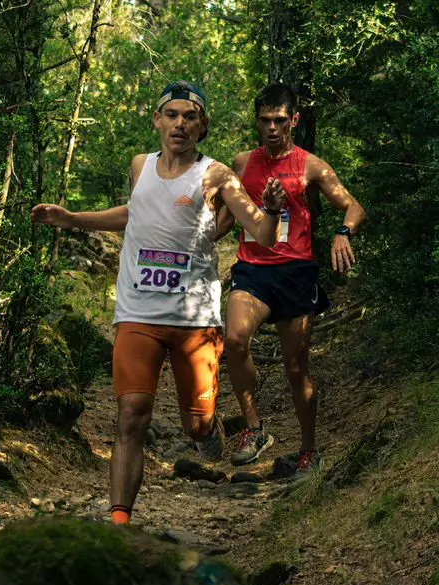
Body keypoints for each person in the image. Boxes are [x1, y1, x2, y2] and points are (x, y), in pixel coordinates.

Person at [31, 81, 277, 525]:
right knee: (131, 415)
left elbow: (262, 233)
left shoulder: (216, 174)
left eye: (190, 116)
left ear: (202, 126)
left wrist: (273, 211)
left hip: (194, 320)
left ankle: (209, 433)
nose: (179, 123)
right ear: (157, 120)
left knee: (196, 427)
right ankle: (119, 523)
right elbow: (134, 213)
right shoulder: (139, 165)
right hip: (137, 313)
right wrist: (71, 219)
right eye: (172, 115)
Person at [220, 83, 366, 471]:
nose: (272, 128)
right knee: (234, 339)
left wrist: (343, 232)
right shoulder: (240, 164)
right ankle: (254, 427)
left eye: (280, 121)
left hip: (296, 273)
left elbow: (353, 206)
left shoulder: (311, 165)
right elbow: (223, 221)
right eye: (265, 120)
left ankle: (308, 450)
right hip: (252, 269)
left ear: (294, 121)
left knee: (296, 367)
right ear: (257, 121)